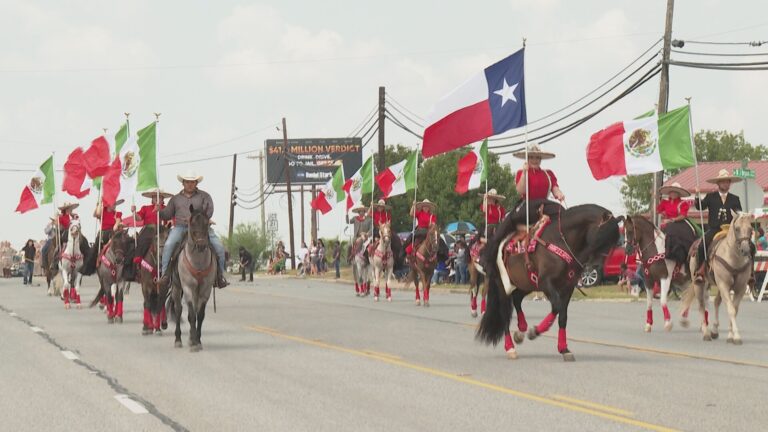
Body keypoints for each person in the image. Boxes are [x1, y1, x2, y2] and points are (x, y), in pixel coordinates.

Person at [158, 171, 229, 288]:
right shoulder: (175, 199)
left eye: (192, 182)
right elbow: (167, 214)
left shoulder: (205, 196)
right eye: (187, 182)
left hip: (201, 228)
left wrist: (197, 218)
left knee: (219, 247)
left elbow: (209, 210)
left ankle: (220, 276)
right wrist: (159, 211)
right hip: (180, 227)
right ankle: (165, 275)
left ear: (196, 183)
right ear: (183, 183)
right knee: (169, 245)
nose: (190, 184)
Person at [692, 169, 747, 283]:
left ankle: (749, 273)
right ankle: (701, 270)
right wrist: (697, 196)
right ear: (718, 183)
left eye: (727, 182)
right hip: (714, 229)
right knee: (702, 246)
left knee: (747, 244)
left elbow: (739, 214)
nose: (725, 184)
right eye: (723, 182)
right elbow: (700, 207)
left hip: (731, 230)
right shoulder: (711, 196)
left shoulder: (735, 198)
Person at [125, 188, 172, 281]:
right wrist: (134, 212)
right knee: (144, 237)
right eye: (155, 197)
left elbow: (171, 218)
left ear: (163, 199)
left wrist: (169, 222)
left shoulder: (166, 208)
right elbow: (138, 218)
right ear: (152, 198)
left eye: (159, 197)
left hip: (162, 229)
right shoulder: (145, 208)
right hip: (149, 228)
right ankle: (138, 259)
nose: (157, 199)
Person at [657, 182, 697, 270]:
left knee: (674, 233)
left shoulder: (683, 203)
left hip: (680, 222)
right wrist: (663, 214)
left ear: (678, 194)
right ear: (669, 193)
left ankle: (676, 256)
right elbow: (658, 210)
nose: (673, 194)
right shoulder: (664, 202)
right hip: (667, 223)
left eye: (675, 192)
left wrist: (671, 220)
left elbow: (683, 215)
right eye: (672, 192)